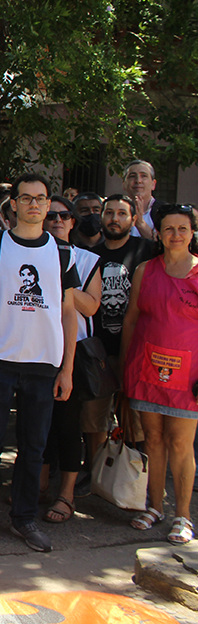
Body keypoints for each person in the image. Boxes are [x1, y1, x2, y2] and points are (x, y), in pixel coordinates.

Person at [0, 173, 79, 554]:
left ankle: (24, 518)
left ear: (48, 205)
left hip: (44, 364)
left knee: (34, 447)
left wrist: (68, 369)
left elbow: (68, 314)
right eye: (25, 198)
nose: (32, 204)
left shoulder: (63, 253)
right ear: (13, 204)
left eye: (40, 198)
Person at [122, 204, 198, 544]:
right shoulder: (144, 271)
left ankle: (183, 514)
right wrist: (126, 367)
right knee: (152, 440)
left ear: (192, 232)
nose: (175, 235)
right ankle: (155, 507)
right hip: (147, 368)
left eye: (182, 229)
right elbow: (132, 320)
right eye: (169, 229)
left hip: (189, 376)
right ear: (160, 233)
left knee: (180, 442)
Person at [40, 195, 101, 525]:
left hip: (72, 354)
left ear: (73, 222)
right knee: (38, 424)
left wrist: (60, 275)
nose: (57, 221)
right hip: (37, 351)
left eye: (64, 216)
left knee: (68, 426)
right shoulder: (31, 253)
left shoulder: (88, 259)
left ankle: (66, 494)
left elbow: (90, 306)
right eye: (51, 216)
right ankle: (39, 484)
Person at [84, 194, 155, 461]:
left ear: (133, 219)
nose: (115, 219)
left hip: (137, 352)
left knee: (137, 423)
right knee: (94, 421)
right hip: (97, 352)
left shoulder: (147, 251)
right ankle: (96, 474)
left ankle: (137, 477)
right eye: (109, 213)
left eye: (122, 213)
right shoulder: (90, 256)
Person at [123, 159, 158, 239]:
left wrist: (140, 223)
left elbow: (164, 246)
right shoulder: (116, 211)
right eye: (132, 176)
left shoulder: (164, 212)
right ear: (124, 184)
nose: (138, 181)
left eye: (144, 176)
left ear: (153, 184)